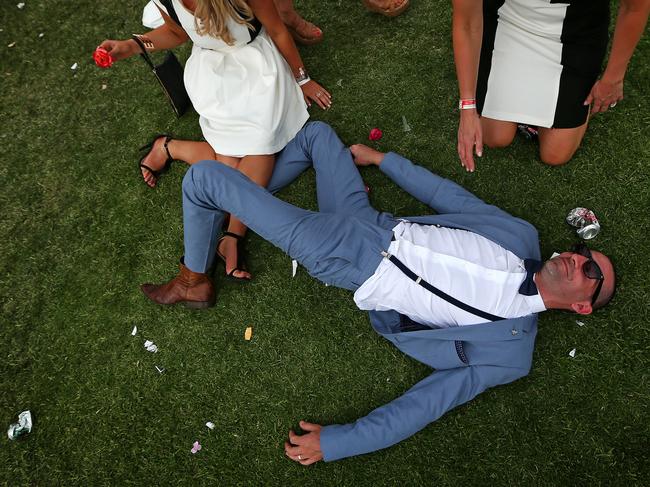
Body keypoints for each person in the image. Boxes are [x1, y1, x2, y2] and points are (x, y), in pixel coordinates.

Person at [139, 121, 616, 463]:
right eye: (583, 252)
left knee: (204, 178)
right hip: (372, 222)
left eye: (590, 271)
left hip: (350, 257)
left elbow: (428, 402)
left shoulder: (509, 354)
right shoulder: (521, 235)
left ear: (580, 306)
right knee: (317, 136)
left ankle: (194, 278)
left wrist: (338, 442)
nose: (578, 258)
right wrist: (382, 160)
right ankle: (242, 209)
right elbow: (450, 197)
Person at [98, 0, 331, 281]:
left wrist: (303, 79)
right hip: (212, 73)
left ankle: (228, 228)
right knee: (232, 165)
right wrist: (132, 44)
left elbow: (278, 30)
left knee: (261, 144)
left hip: (258, 65)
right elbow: (176, 33)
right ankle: (230, 237)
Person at [453, 0, 650, 170]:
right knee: (494, 137)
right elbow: (467, 24)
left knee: (556, 154)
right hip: (508, 19)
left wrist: (613, 78)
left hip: (577, 32)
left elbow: (634, 8)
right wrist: (467, 106)